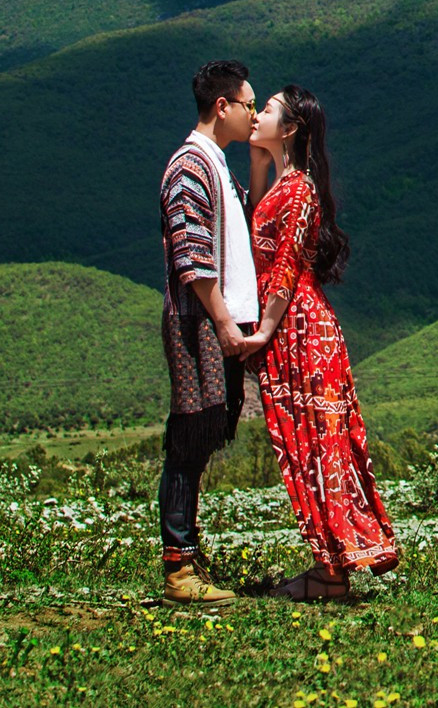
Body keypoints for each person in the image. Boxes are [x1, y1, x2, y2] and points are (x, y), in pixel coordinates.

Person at [245, 83, 400, 599]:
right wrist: (259, 163)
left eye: (265, 110)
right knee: (307, 442)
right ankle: (330, 564)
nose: (255, 113)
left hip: (300, 327)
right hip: (295, 325)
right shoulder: (285, 185)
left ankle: (331, 570)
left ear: (289, 129)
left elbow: (285, 263)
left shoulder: (301, 190)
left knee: (316, 443)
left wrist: (264, 330)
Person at [157, 58, 265, 605]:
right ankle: (178, 566)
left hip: (216, 319)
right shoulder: (189, 166)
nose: (253, 112)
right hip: (198, 320)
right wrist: (223, 321)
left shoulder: (217, 164)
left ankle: (188, 555)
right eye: (248, 104)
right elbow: (191, 254)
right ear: (221, 106)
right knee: (190, 434)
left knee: (203, 434)